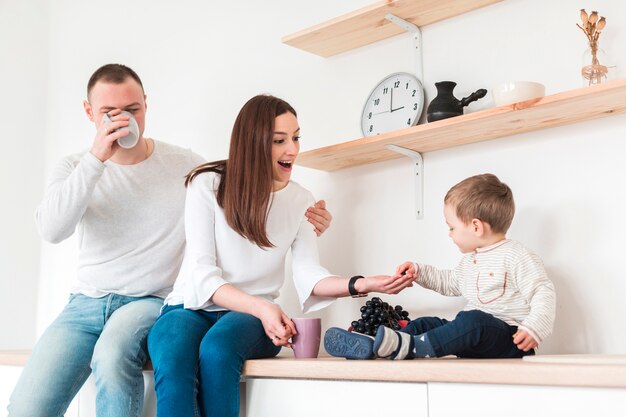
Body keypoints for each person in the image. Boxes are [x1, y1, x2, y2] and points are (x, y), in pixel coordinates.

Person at [8, 64, 333, 417]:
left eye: (132, 110)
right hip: (84, 304)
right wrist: (97, 158)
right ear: (89, 112)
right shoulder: (77, 166)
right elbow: (52, 230)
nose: (123, 119)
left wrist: (305, 217)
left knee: (112, 357)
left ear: (146, 105)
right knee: (26, 407)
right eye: (109, 113)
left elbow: (243, 190)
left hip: (150, 301)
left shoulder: (185, 165)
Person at [147, 94, 415, 417]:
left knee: (217, 350)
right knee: (172, 353)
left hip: (249, 319)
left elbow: (309, 277)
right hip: (190, 307)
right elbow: (203, 277)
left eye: (296, 137)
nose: (293, 149)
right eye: (279, 140)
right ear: (252, 143)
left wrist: (362, 283)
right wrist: (263, 307)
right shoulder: (206, 184)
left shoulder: (300, 200)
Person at [325, 173, 556, 360]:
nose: (449, 233)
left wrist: (534, 328)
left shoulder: (516, 255)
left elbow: (542, 292)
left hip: (509, 340)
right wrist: (420, 272)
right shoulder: (471, 261)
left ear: (476, 227)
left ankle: (411, 347)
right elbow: (449, 283)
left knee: (472, 321)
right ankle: (381, 345)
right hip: (474, 337)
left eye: (452, 227)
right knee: (428, 323)